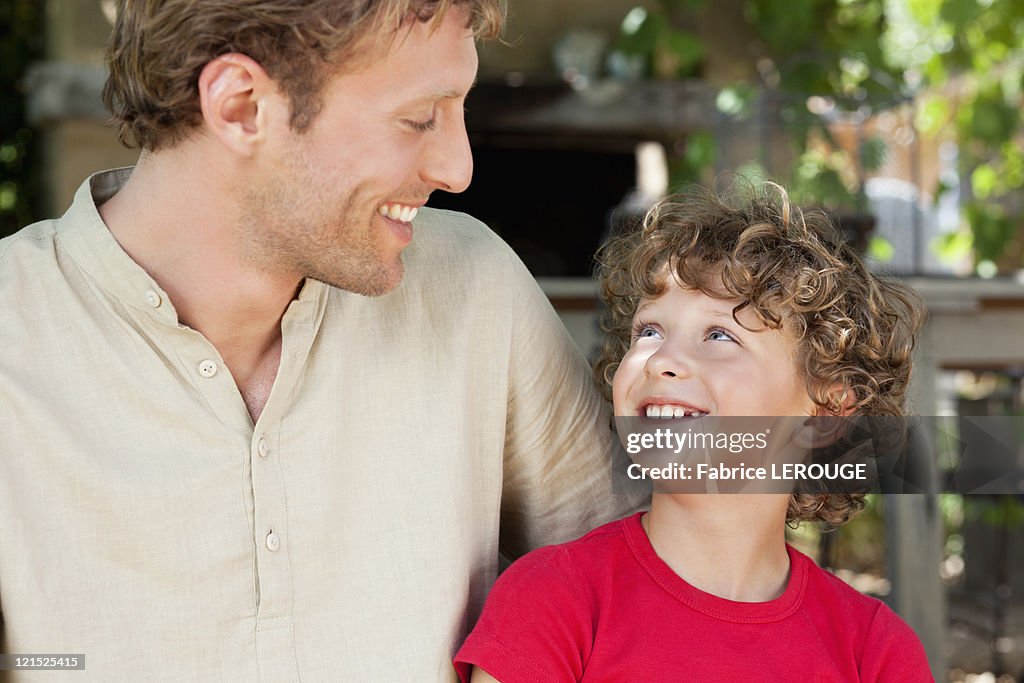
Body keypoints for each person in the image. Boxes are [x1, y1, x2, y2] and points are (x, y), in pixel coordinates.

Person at [0, 1, 647, 680]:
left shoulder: (474, 289)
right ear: (243, 106)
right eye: (419, 117)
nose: (459, 169)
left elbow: (663, 589)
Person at [455, 183, 934, 681]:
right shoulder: (552, 600)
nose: (661, 360)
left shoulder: (876, 651)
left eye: (719, 335)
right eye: (649, 331)